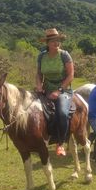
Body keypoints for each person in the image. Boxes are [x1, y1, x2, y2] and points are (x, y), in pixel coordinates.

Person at [36, 28, 74, 156]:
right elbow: (39, 74)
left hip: (63, 90)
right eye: (53, 41)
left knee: (62, 113)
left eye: (58, 40)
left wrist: (59, 91)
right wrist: (39, 85)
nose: (56, 43)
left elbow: (70, 75)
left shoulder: (64, 55)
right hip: (46, 89)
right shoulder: (41, 56)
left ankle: (60, 143)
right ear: (47, 43)